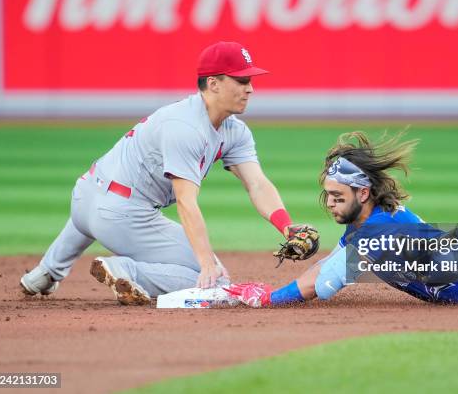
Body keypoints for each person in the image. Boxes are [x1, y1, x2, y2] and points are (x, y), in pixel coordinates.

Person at [20, 41, 306, 305]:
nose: (250, 88)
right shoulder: (187, 127)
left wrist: (287, 226)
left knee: (97, 204)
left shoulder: (234, 130)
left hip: (83, 199)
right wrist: (206, 263)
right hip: (121, 215)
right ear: (214, 83)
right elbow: (185, 201)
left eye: (250, 80)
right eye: (241, 80)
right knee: (216, 278)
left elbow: (257, 183)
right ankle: (126, 269)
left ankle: (46, 272)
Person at [225, 132, 458, 308]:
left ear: (363, 193)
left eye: (339, 197)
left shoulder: (378, 232)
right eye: (329, 196)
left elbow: (322, 283)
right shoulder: (367, 225)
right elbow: (334, 262)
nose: (332, 206)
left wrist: (269, 297)